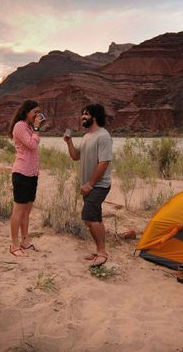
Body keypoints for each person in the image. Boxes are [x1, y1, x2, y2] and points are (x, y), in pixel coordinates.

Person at [63, 103, 113, 267]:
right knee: (96, 218)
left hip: (98, 185)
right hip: (89, 185)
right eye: (82, 114)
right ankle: (100, 250)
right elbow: (76, 156)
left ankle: (102, 253)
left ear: (95, 116)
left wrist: (90, 185)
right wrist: (69, 142)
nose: (82, 117)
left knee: (89, 218)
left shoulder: (103, 136)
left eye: (86, 114)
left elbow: (104, 163)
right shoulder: (86, 136)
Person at [8, 100, 45, 257]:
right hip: (22, 173)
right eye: (35, 112)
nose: (37, 115)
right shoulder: (20, 126)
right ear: (26, 112)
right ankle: (14, 244)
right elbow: (32, 145)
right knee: (18, 211)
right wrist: (36, 128)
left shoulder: (29, 128)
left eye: (39, 112)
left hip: (31, 174)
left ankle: (25, 240)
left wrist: (35, 128)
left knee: (27, 211)